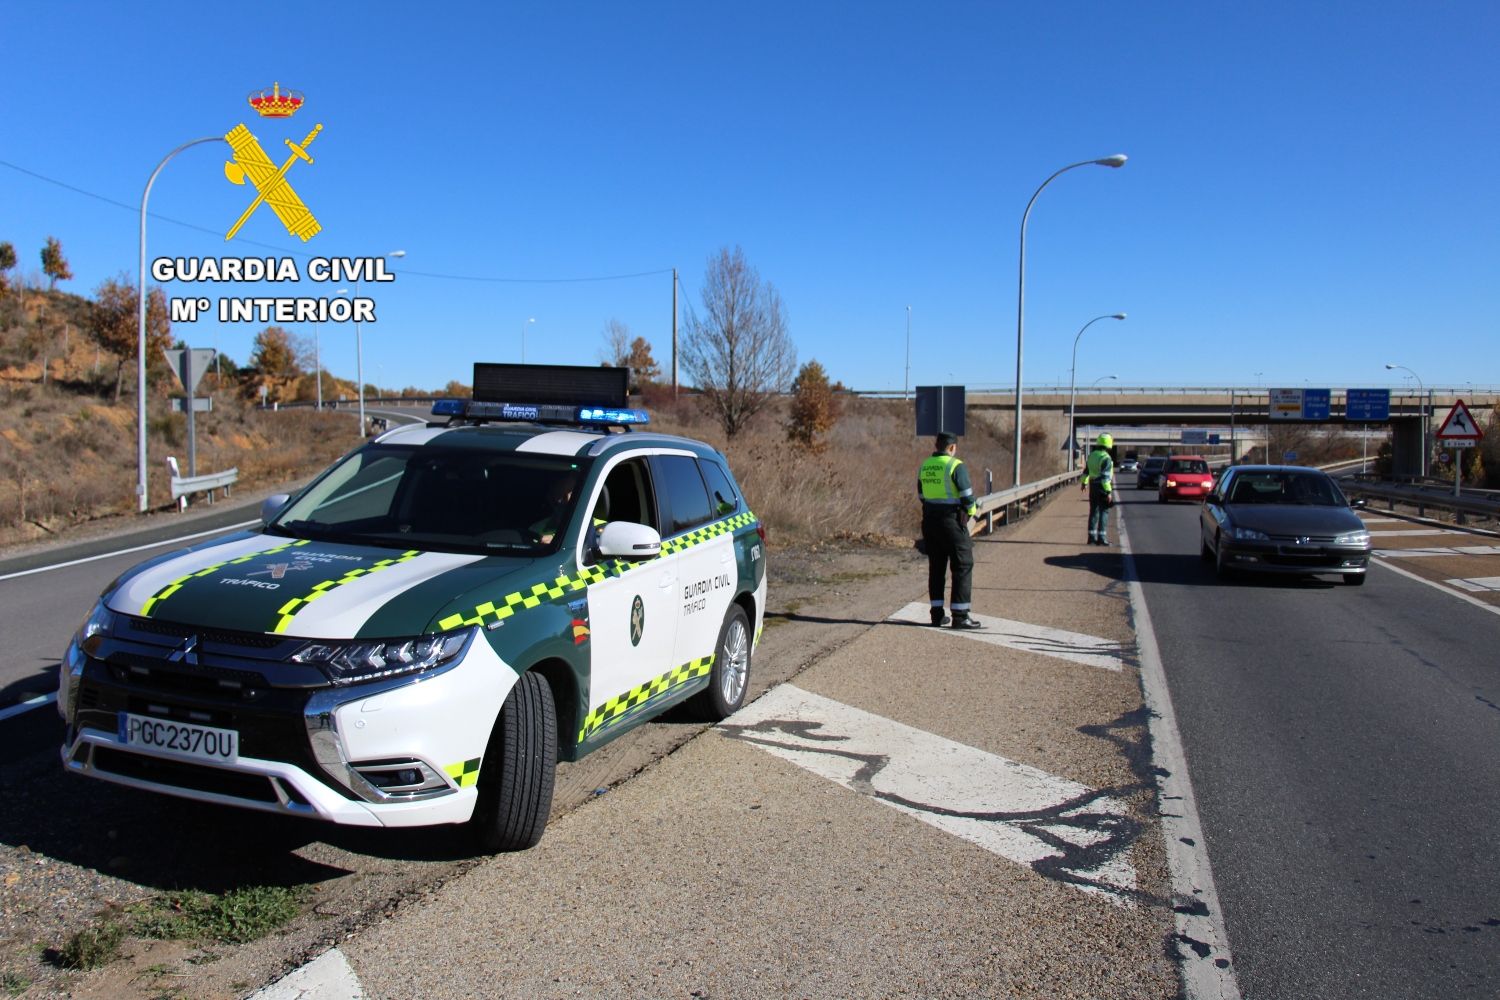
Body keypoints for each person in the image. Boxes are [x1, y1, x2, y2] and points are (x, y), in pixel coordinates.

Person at [917, 433, 981, 628]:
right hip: (951, 521)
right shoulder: (955, 465)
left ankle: (936, 615)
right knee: (963, 564)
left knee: (936, 567)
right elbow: (967, 495)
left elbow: (921, 494)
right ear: (952, 447)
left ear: (937, 446)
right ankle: (960, 616)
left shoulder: (925, 465)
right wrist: (971, 512)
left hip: (929, 520)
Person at [1080, 433, 1115, 545]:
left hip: (1092, 486)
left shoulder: (1091, 455)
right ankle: (1102, 538)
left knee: (1093, 512)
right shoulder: (1106, 458)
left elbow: (1086, 472)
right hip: (1102, 488)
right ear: (1109, 444)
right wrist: (1108, 492)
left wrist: (1084, 484)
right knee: (1104, 511)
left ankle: (1091, 538)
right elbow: (1105, 478)